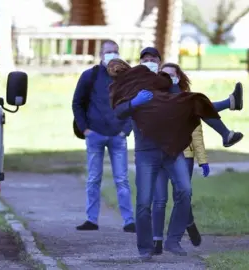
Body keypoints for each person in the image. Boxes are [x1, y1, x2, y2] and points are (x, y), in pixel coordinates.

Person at [109, 47, 243, 260]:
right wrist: (135, 103)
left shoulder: (165, 83)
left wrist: (171, 84)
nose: (149, 61)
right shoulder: (130, 86)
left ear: (159, 62)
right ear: (139, 62)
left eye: (153, 59)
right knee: (145, 202)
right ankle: (145, 248)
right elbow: (118, 111)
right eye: (145, 59)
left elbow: (188, 105)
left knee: (185, 192)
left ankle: (173, 240)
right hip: (146, 152)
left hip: (172, 149)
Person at [152, 62, 243, 254]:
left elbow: (196, 134)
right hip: (159, 154)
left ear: (178, 77)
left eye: (171, 75)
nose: (168, 78)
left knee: (183, 195)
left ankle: (174, 239)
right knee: (161, 200)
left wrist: (202, 159)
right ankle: (184, 225)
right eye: (164, 75)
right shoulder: (158, 97)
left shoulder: (185, 99)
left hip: (183, 155)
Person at [72, 40, 135, 233]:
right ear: (101, 55)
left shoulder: (126, 79)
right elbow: (77, 103)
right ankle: (91, 220)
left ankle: (129, 221)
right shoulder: (90, 76)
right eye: (108, 52)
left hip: (118, 136)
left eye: (115, 52)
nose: (112, 55)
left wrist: (126, 129)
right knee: (93, 178)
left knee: (122, 179)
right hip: (95, 134)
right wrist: (85, 129)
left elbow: (133, 104)